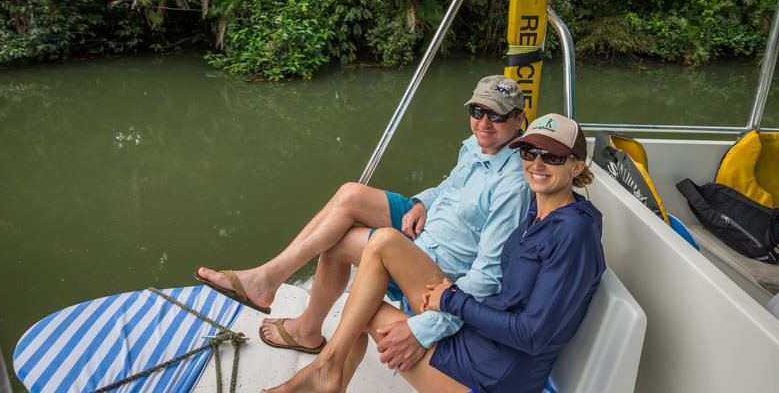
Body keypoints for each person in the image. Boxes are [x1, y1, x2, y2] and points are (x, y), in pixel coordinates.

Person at [196, 75, 531, 369]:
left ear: (519, 119)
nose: (484, 122)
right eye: (478, 111)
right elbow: (450, 187)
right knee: (351, 194)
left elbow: (488, 276)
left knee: (339, 241)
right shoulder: (478, 145)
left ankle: (305, 327)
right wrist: (421, 202)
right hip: (427, 224)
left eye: (498, 115)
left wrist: (428, 325)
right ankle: (267, 279)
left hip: (436, 263)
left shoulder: (513, 186)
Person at [262, 113, 606, 393]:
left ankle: (326, 375)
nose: (537, 163)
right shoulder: (537, 215)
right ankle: (327, 375)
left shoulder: (573, 234)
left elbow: (531, 335)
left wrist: (451, 303)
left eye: (554, 157)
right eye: (529, 153)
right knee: (384, 242)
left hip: (492, 376)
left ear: (576, 167)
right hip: (481, 338)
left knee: (361, 311)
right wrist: (426, 203)